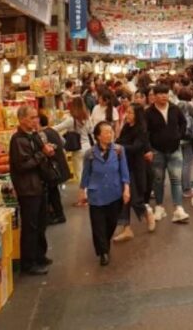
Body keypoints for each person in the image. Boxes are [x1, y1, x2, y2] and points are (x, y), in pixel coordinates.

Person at [10, 105, 54, 275]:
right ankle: (28, 263)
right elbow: (22, 165)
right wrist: (42, 154)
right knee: (30, 226)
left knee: (41, 223)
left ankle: (39, 255)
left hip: (39, 185)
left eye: (36, 117)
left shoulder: (34, 136)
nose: (36, 120)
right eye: (32, 118)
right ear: (22, 120)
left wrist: (46, 151)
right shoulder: (17, 140)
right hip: (28, 189)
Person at [79, 121, 131, 266]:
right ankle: (103, 252)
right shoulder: (90, 154)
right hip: (96, 194)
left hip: (114, 192)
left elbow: (124, 172)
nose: (110, 134)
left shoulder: (119, 150)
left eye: (111, 132)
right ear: (98, 136)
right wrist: (82, 190)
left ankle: (105, 243)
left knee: (111, 223)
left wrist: (126, 189)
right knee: (98, 225)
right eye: (106, 132)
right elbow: (86, 174)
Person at [146, 84, 190, 223]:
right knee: (158, 181)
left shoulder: (174, 109)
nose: (164, 96)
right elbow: (145, 132)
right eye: (160, 93)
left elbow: (183, 122)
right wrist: (148, 149)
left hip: (175, 149)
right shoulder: (149, 113)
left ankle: (178, 208)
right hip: (157, 151)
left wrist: (179, 135)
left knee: (176, 179)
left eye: (166, 93)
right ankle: (159, 207)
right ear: (154, 96)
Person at [114, 104, 156, 241]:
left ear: (137, 115)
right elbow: (119, 141)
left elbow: (137, 147)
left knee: (133, 198)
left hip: (136, 167)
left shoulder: (141, 130)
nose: (128, 115)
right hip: (124, 165)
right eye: (127, 112)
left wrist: (120, 147)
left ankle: (146, 211)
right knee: (124, 198)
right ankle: (126, 228)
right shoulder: (126, 127)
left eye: (131, 113)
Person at [55, 98, 95, 207]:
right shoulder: (87, 118)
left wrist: (63, 140)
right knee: (88, 172)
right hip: (88, 147)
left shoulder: (71, 120)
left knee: (80, 173)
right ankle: (89, 195)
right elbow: (91, 131)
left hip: (77, 149)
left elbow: (56, 129)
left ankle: (84, 197)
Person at [39, 113, 71, 225]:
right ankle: (56, 213)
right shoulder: (52, 130)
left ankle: (59, 214)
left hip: (52, 168)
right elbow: (63, 142)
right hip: (59, 165)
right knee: (54, 191)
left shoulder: (42, 134)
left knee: (53, 192)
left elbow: (44, 150)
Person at [175, 87, 193, 199]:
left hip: (178, 138)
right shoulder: (189, 105)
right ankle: (186, 188)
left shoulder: (175, 105)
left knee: (179, 163)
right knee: (187, 164)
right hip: (188, 139)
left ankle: (179, 186)